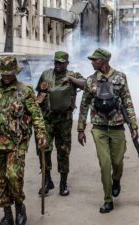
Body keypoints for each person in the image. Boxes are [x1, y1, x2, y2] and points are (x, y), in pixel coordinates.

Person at [0, 56, 47, 225]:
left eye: (9, 74)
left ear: (15, 73)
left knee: (13, 176)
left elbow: (36, 115)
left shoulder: (24, 91)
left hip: (17, 142)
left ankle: (20, 207)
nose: (6, 77)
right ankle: (7, 213)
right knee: (1, 180)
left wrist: (41, 135)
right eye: (3, 74)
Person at [77, 48, 139, 213]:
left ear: (103, 61)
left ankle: (116, 180)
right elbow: (83, 105)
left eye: (94, 60)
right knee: (105, 164)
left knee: (117, 162)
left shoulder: (120, 78)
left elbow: (128, 102)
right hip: (99, 128)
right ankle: (107, 200)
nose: (92, 62)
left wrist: (133, 125)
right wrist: (81, 129)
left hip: (117, 126)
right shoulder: (90, 81)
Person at [35, 51, 86, 196]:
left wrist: (71, 79)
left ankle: (63, 183)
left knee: (63, 151)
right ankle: (47, 180)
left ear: (67, 63)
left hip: (64, 121)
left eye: (62, 62)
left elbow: (87, 85)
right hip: (47, 119)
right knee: (44, 149)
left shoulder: (73, 75)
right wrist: (33, 112)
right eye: (57, 62)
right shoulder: (46, 74)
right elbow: (39, 95)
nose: (58, 65)